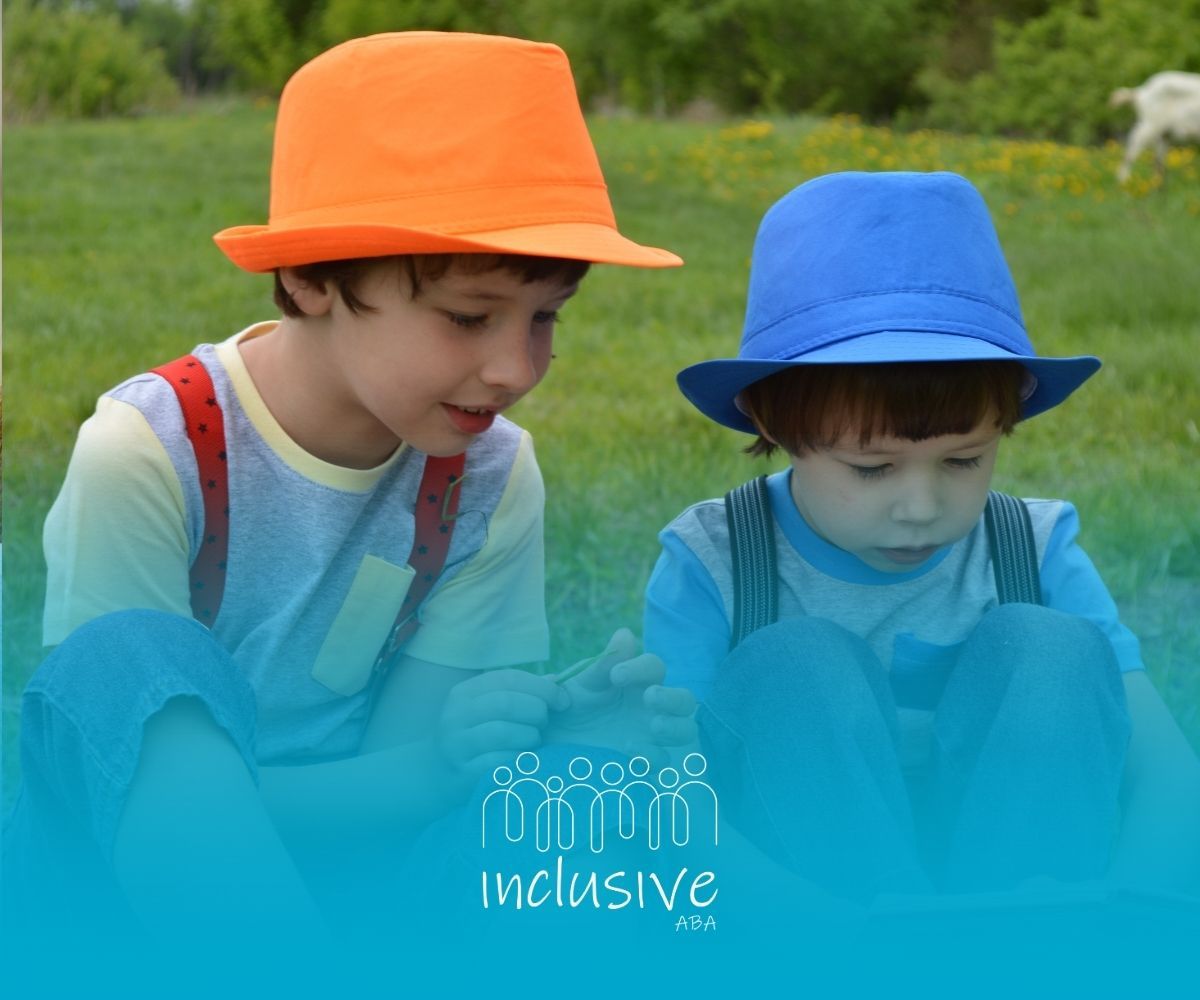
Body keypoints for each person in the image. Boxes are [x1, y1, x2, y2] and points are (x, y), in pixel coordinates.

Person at [5, 31, 696, 951]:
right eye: (469, 317)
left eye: (545, 319)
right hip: (114, 890)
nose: (517, 368)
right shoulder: (147, 451)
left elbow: (401, 784)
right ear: (309, 276)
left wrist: (522, 741)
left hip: (353, 873)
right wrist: (429, 774)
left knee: (577, 791)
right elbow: (123, 771)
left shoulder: (489, 477)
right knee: (127, 654)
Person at [644, 171, 1200, 905]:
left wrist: (1131, 897)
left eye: (963, 460)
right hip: (813, 907)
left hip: (1027, 898)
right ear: (770, 420)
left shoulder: (1033, 547)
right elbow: (667, 787)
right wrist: (775, 905)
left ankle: (1026, 943)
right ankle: (880, 948)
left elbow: (1163, 767)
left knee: (1054, 647)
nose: (921, 507)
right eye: (872, 468)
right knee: (792, 662)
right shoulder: (713, 560)